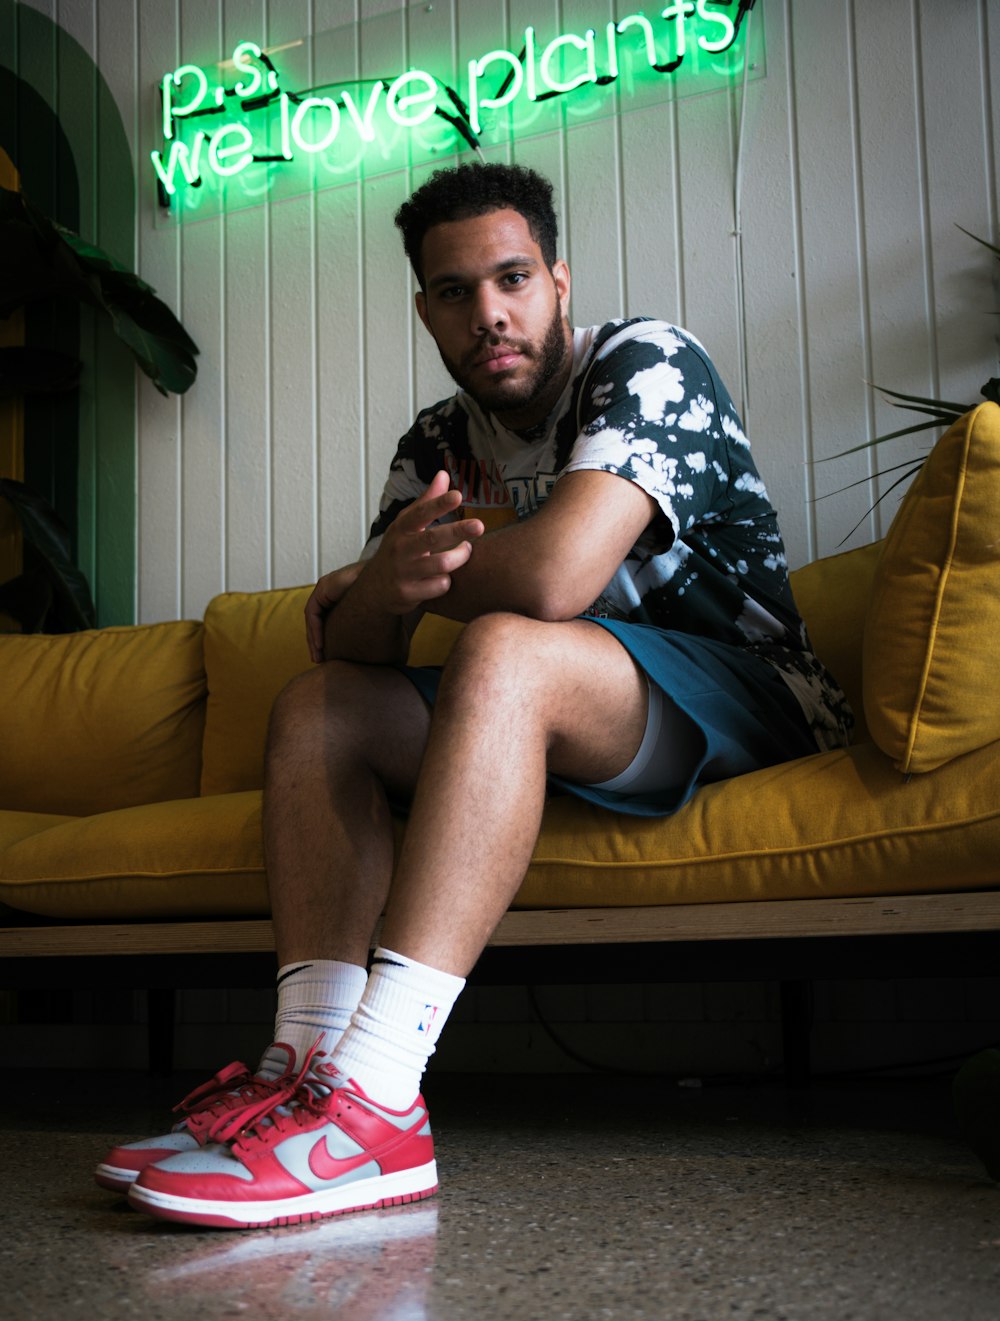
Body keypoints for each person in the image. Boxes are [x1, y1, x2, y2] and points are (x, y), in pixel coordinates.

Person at [97, 162, 851, 1228]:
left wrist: (391, 577)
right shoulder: (435, 443)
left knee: (503, 646)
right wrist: (379, 592)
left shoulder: (645, 363)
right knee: (318, 710)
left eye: (511, 279)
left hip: (749, 693)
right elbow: (353, 646)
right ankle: (306, 1068)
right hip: (575, 713)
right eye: (454, 292)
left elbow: (556, 579)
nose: (488, 313)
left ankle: (376, 1097)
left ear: (558, 281)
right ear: (425, 309)